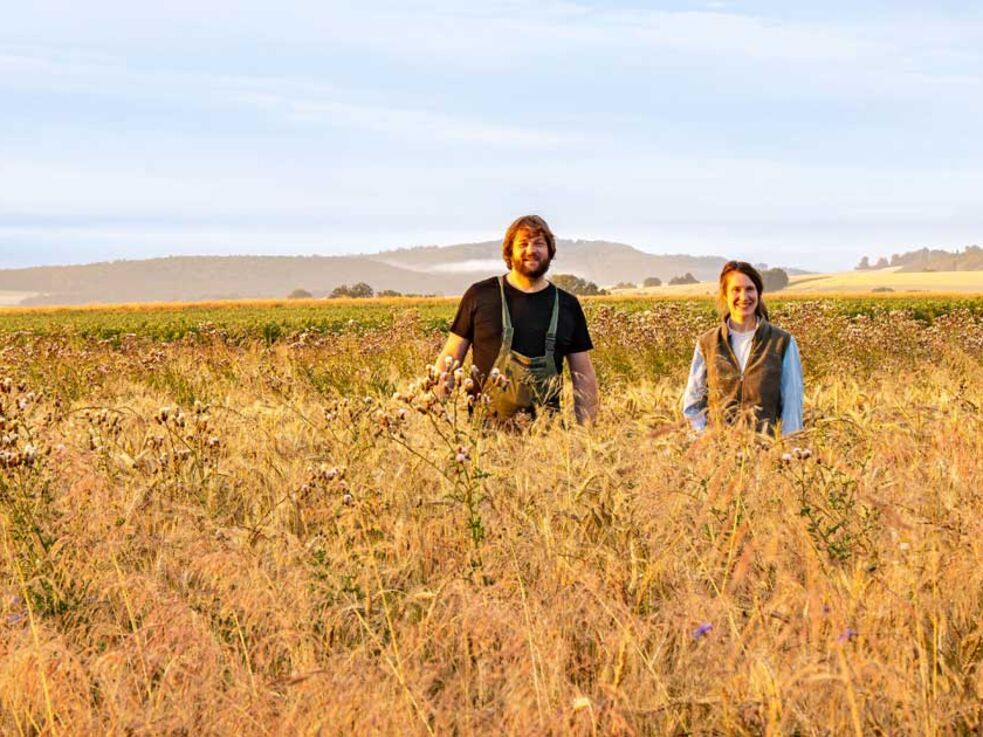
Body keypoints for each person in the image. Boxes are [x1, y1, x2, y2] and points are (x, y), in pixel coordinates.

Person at [433, 214, 598, 424]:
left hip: (548, 443)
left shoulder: (567, 305)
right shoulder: (480, 295)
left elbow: (582, 374)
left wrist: (589, 438)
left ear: (550, 251)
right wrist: (434, 418)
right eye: (523, 243)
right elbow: (451, 356)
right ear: (509, 252)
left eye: (539, 243)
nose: (531, 250)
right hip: (483, 442)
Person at [682, 260, 803, 436]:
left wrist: (786, 451)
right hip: (719, 455)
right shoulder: (707, 343)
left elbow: (792, 408)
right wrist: (703, 446)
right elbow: (693, 406)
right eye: (736, 290)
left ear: (759, 293)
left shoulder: (782, 342)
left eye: (750, 289)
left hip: (766, 454)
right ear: (725, 295)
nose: (744, 297)